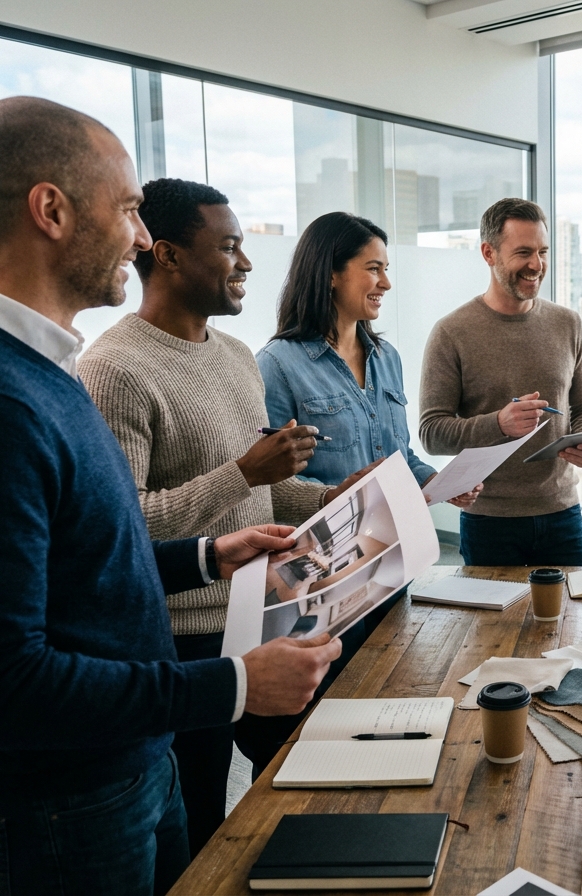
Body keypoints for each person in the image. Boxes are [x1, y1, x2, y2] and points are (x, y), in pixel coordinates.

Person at [0, 96, 341, 895]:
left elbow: (86, 557)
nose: (141, 237)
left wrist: (205, 554)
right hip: (69, 802)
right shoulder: (21, 399)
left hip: (133, 758)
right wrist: (232, 685)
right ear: (50, 210)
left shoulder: (48, 370)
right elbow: (13, 679)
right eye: (126, 211)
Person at [78, 179, 371, 858]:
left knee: (315, 790)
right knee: (202, 827)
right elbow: (127, 531)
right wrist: (245, 471)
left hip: (266, 613)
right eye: (230, 247)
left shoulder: (237, 356)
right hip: (184, 645)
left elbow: (257, 502)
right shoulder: (114, 370)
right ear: (171, 255)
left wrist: (331, 498)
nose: (245, 263)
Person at [253, 211, 478, 771]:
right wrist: (334, 495)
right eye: (373, 268)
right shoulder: (276, 366)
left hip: (390, 567)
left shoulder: (388, 359)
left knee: (375, 717)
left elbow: (400, 456)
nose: (386, 282)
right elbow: (266, 484)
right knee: (298, 739)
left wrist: (441, 483)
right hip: (322, 583)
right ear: (331, 273)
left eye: (387, 268)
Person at [419, 198, 582, 566]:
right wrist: (498, 424)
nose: (536, 265)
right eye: (523, 252)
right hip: (489, 522)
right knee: (491, 625)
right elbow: (431, 433)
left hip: (563, 514)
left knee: (574, 619)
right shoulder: (451, 332)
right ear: (489, 253)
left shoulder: (568, 324)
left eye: (542, 251)